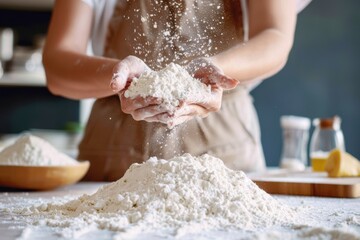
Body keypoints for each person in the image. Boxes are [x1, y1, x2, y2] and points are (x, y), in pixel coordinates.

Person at [43, 0, 311, 181]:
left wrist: (215, 69)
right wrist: (120, 76)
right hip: (114, 155)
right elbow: (58, 64)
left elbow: (275, 36)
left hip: (224, 152)